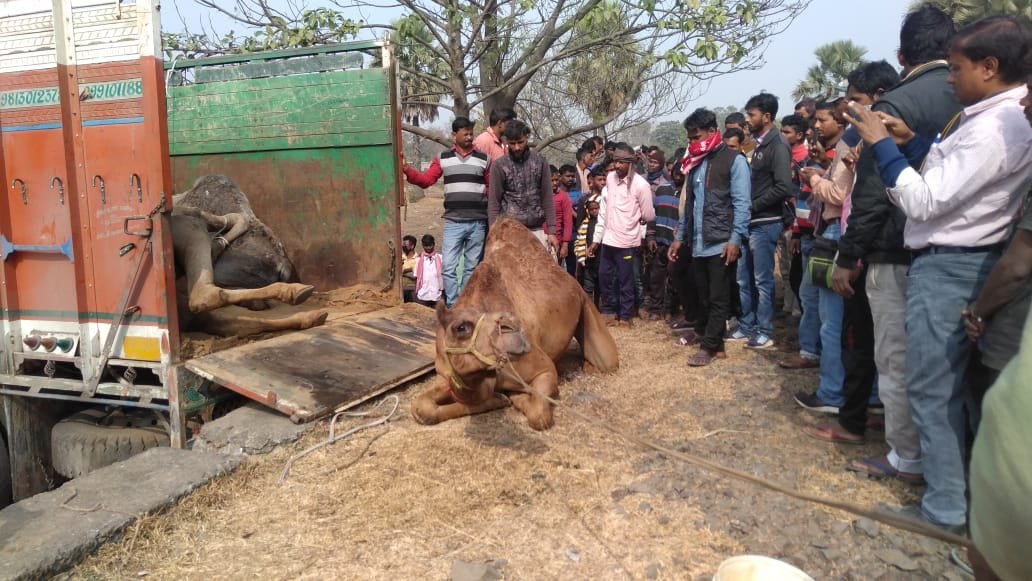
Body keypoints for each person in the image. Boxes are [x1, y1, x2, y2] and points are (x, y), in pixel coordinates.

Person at [849, 14, 1032, 534]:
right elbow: (950, 176)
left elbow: (926, 201)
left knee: (933, 388)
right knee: (952, 388)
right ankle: (961, 501)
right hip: (955, 262)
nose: (948, 79)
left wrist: (880, 146)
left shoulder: (998, 127)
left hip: (951, 263)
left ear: (990, 68)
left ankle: (945, 509)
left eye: (955, 68)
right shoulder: (984, 120)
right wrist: (911, 143)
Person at [829, 6, 961, 492]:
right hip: (958, 251)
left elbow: (868, 194)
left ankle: (908, 457)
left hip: (895, 247)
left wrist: (849, 257)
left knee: (897, 357)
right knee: (945, 363)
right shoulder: (975, 97)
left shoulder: (895, 106)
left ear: (902, 55)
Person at [668, 108, 750, 366]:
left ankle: (708, 345)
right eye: (689, 138)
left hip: (721, 242)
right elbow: (690, 207)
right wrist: (680, 237)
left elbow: (742, 204)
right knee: (703, 295)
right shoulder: (695, 164)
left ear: (712, 132)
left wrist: (735, 239)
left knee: (718, 296)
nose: (691, 142)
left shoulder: (734, 161)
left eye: (696, 136)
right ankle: (718, 344)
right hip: (697, 243)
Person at [402, 117, 489, 308]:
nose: (469, 137)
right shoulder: (443, 158)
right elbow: (426, 181)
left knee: (471, 269)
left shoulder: (484, 159)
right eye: (465, 133)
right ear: (454, 135)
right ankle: (453, 305)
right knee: (448, 267)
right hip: (454, 222)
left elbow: (491, 189)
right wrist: (407, 170)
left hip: (478, 222)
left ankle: (465, 307)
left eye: (471, 133)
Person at [730, 92, 792, 349]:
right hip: (750, 222)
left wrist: (751, 206)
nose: (748, 119)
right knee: (744, 279)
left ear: (767, 116)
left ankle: (765, 330)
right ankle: (747, 326)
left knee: (762, 281)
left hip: (766, 222)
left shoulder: (777, 145)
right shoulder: (757, 145)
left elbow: (783, 187)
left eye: (751, 114)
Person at [589, 143, 656, 327]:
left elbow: (649, 214)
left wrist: (637, 222)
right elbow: (604, 211)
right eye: (615, 161)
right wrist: (597, 239)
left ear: (630, 163)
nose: (617, 165)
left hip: (627, 241)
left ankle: (625, 316)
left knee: (626, 280)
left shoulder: (641, 185)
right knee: (604, 276)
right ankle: (609, 311)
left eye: (621, 162)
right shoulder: (610, 178)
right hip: (608, 239)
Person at [487, 120, 559, 253]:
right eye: (512, 143)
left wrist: (552, 231)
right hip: (510, 233)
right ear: (506, 141)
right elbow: (494, 203)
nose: (517, 147)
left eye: (520, 142)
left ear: (527, 137)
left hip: (537, 231)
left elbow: (547, 198)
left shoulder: (540, 161)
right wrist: (494, 234)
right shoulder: (499, 166)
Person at [643, 153, 680, 320]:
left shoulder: (688, 193)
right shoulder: (662, 189)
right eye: (675, 173)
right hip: (659, 241)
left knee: (674, 278)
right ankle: (656, 309)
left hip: (677, 244)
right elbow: (652, 215)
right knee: (656, 277)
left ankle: (671, 310)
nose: (678, 176)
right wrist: (650, 237)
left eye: (681, 174)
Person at [545, 165, 574, 265]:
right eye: (551, 180)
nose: (555, 183)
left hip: (557, 242)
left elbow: (568, 222)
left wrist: (565, 245)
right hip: (540, 239)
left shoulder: (563, 196)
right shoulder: (537, 195)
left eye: (556, 180)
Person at [575, 199, 602, 305]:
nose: (595, 211)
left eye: (597, 208)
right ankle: (590, 310)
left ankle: (599, 309)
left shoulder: (603, 224)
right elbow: (580, 241)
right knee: (588, 287)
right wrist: (584, 251)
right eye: (592, 209)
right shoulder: (585, 225)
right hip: (589, 262)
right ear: (588, 211)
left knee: (601, 287)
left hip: (601, 260)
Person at [414, 234, 444, 307]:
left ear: (433, 244)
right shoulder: (419, 260)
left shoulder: (440, 258)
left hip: (436, 294)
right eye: (426, 246)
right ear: (423, 245)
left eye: (430, 245)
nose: (428, 248)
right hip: (423, 294)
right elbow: (416, 276)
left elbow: (444, 274)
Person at [401, 234, 418, 302]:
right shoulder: (401, 257)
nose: (403, 246)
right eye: (403, 245)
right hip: (401, 290)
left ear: (412, 246)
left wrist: (403, 271)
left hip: (412, 290)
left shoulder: (417, 259)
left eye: (405, 245)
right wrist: (410, 270)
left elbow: (415, 275)